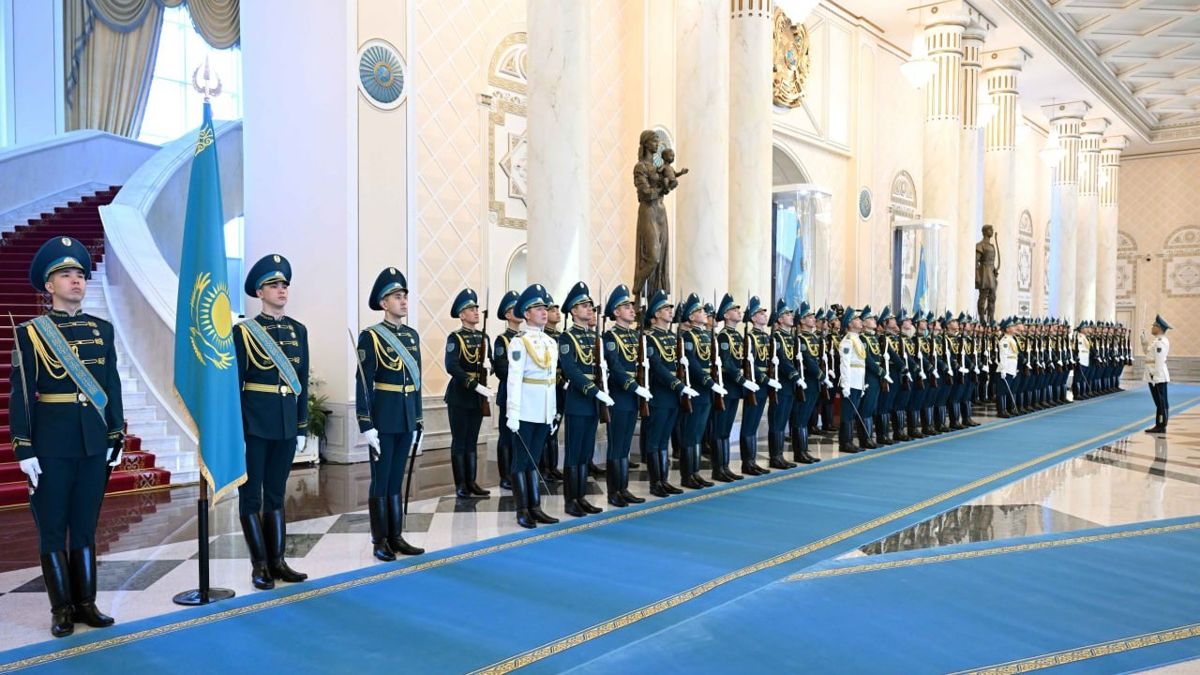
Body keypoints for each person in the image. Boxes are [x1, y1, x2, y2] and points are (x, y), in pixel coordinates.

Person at [12, 236, 124, 638]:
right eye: (65, 275)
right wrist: (23, 447)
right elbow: (21, 394)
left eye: (79, 274)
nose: (76, 280)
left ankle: (87, 603)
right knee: (53, 528)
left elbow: (111, 384)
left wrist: (116, 433)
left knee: (86, 525)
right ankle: (61, 608)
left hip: (93, 443)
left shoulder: (102, 330)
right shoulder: (31, 333)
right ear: (48, 286)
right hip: (52, 445)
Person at [234, 254, 310, 591]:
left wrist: (302, 424)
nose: (281, 290)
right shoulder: (244, 332)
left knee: (277, 494)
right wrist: (236, 429)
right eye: (273, 285)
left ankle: (278, 561)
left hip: (284, 422)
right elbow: (235, 383)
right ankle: (260, 564)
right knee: (252, 496)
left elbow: (302, 382)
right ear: (259, 292)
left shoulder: (298, 331)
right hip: (254, 423)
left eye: (284, 285)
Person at [355, 267, 425, 560]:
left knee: (396, 478)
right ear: (384, 303)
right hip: (384, 418)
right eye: (398, 297)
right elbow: (363, 382)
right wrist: (366, 423)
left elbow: (417, 382)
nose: (404, 301)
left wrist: (419, 421)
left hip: (407, 416)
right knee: (381, 479)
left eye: (405, 296)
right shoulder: (370, 337)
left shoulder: (411, 335)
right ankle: (379, 539)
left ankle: (396, 536)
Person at [506, 284, 560, 528]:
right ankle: (522, 509)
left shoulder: (550, 342)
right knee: (521, 461)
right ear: (526, 314)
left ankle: (535, 506)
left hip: (543, 411)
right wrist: (513, 413)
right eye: (538, 308)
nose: (543, 312)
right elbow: (514, 380)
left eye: (544, 308)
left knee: (535, 460)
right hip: (526, 411)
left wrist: (552, 413)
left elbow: (551, 382)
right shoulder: (519, 343)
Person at [557, 282, 613, 517]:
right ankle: (571, 500)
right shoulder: (567, 338)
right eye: (583, 305)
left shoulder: (594, 337)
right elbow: (570, 370)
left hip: (592, 403)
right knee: (573, 452)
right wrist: (593, 390)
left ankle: (581, 497)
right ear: (572, 311)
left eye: (590, 305)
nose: (589, 309)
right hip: (579, 401)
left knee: (585, 453)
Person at [601, 285, 650, 506]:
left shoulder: (634, 335)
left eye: (631, 306)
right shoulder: (610, 336)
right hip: (620, 395)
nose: (631, 310)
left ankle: (624, 488)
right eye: (626, 307)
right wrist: (634, 386)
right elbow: (616, 367)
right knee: (616, 444)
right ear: (616, 312)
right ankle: (614, 491)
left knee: (625, 445)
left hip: (632, 396)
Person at [644, 290, 696, 496]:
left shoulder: (674, 338)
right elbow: (657, 367)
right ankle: (655, 482)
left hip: (674, 396)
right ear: (656, 314)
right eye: (666, 309)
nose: (670, 311)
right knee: (655, 439)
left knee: (665, 438)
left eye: (670, 308)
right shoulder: (650, 338)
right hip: (660, 394)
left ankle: (663, 480)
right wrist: (677, 384)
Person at [444, 288, 493, 499]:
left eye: (476, 308)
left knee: (472, 439)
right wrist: (473, 384)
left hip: (477, 396)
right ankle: (461, 484)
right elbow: (452, 366)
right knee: (460, 439)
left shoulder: (484, 337)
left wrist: (488, 367)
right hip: (460, 395)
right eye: (471, 309)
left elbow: (486, 363)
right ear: (462, 315)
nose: (476, 312)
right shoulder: (455, 338)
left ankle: (472, 481)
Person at [492, 291, 522, 490]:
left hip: (524, 395)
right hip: (508, 394)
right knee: (506, 436)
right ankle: (505, 476)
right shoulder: (502, 340)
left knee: (519, 436)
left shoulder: (526, 338)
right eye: (514, 309)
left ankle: (517, 472)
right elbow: (501, 369)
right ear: (508, 315)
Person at [838, 307, 867, 453]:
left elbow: (861, 364)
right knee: (847, 414)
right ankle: (845, 442)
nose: (860, 321)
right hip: (850, 381)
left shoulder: (857, 339)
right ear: (849, 324)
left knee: (852, 413)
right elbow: (845, 363)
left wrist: (861, 385)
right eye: (856, 319)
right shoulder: (848, 340)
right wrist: (845, 384)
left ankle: (849, 441)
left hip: (857, 381)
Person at [1142, 315, 1171, 434]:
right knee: (1159, 402)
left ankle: (1161, 424)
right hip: (1153, 374)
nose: (1152, 327)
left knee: (1161, 402)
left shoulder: (1161, 342)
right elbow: (1147, 353)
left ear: (1159, 328)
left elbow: (1159, 360)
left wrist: (1156, 376)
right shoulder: (1157, 341)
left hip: (1157, 375)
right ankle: (1160, 424)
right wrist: (1143, 341)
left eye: (1154, 325)